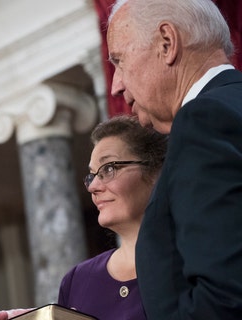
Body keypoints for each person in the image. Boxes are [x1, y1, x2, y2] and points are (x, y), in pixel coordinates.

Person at [107, 0, 242, 318]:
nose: (116, 86)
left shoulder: (203, 120)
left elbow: (225, 299)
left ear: (167, 43)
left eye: (120, 61)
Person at [58, 115, 166, 320]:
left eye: (109, 168)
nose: (93, 187)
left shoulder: (192, 261)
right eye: (92, 175)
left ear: (156, 172)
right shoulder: (76, 281)